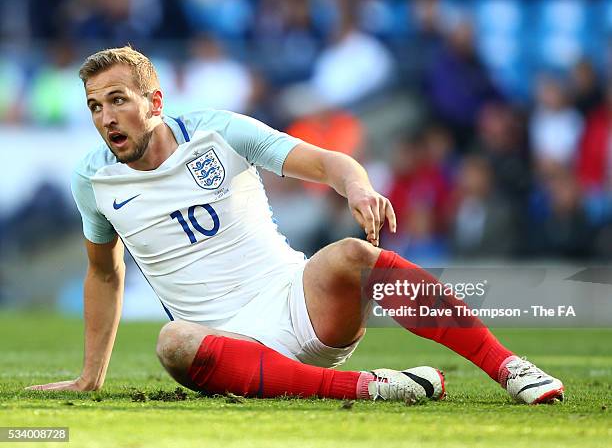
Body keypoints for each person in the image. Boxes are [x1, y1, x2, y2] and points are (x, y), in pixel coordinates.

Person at [27, 47, 563, 404]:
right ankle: (369, 388)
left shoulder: (217, 132)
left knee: (351, 254)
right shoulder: (92, 180)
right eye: (96, 106)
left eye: (118, 100)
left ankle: (511, 367)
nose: (105, 118)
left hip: (298, 303)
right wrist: (90, 376)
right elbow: (103, 274)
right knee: (172, 343)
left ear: (155, 102)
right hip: (222, 342)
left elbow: (328, 160)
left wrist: (357, 187)